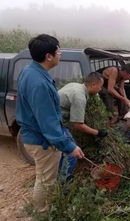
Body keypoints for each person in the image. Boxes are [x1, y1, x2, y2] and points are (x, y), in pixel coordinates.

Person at [16, 34, 84, 212]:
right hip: (42, 140)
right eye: (59, 51)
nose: (60, 55)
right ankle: (43, 213)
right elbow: (48, 124)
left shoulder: (30, 71)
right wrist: (69, 147)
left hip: (35, 135)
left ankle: (47, 207)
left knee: (45, 177)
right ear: (48, 56)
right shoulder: (39, 83)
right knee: (45, 180)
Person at [58, 72, 108, 182]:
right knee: (71, 153)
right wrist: (98, 133)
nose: (100, 90)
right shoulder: (79, 97)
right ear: (93, 84)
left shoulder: (76, 85)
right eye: (100, 87)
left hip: (54, 119)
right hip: (56, 123)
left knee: (62, 151)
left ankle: (59, 175)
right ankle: (63, 184)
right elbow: (77, 125)